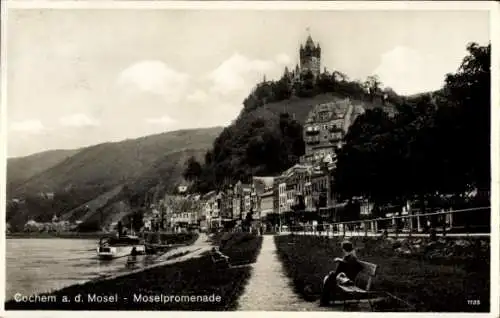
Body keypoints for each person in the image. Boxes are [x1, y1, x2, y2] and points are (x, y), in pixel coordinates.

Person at [320, 240, 363, 306]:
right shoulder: (349, 256)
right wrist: (341, 261)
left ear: (344, 249)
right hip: (344, 278)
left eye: (342, 248)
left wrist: (340, 261)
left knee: (330, 277)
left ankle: (324, 301)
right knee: (330, 277)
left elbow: (355, 266)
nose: (342, 250)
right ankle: (324, 301)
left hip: (347, 280)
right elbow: (345, 267)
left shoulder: (351, 257)